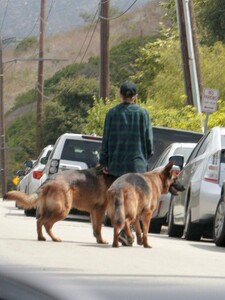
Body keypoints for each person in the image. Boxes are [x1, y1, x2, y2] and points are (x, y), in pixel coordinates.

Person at [99, 81, 154, 246]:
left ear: (120, 95)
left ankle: (125, 231)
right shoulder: (143, 114)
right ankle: (128, 232)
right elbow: (148, 140)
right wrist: (146, 156)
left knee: (119, 199)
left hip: (116, 164)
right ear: (135, 96)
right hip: (137, 166)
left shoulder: (112, 114)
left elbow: (106, 140)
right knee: (135, 201)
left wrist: (104, 161)